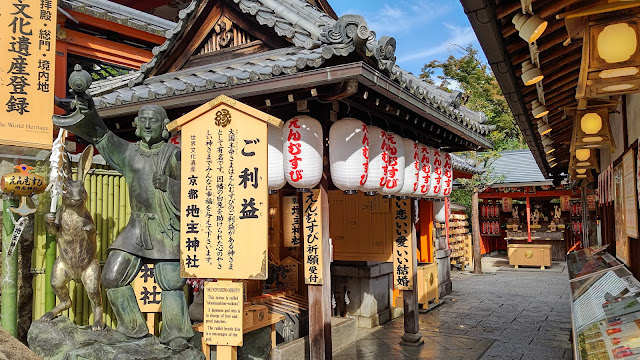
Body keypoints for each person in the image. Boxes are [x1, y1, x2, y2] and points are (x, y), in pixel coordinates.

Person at [52, 90, 193, 349]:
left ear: (164, 127)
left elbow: (192, 190)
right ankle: (132, 329)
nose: (148, 124)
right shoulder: (128, 152)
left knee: (172, 283)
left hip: (166, 228)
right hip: (136, 228)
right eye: (143, 119)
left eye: (154, 120)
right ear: (137, 126)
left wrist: (170, 185)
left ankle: (177, 334)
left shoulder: (174, 155)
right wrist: (87, 107)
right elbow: (102, 136)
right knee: (112, 277)